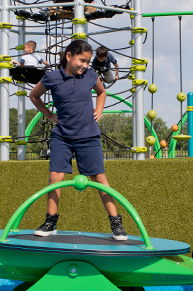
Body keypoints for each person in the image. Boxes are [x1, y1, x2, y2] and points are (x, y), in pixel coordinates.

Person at [27, 39, 127, 240]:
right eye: (81, 60)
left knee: (99, 178)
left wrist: (99, 110)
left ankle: (116, 223)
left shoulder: (90, 75)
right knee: (55, 178)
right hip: (62, 136)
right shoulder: (52, 77)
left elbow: (101, 92)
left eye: (88, 61)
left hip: (88, 136)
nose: (85, 65)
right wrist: (48, 115)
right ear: (69, 55)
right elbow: (34, 96)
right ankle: (50, 222)